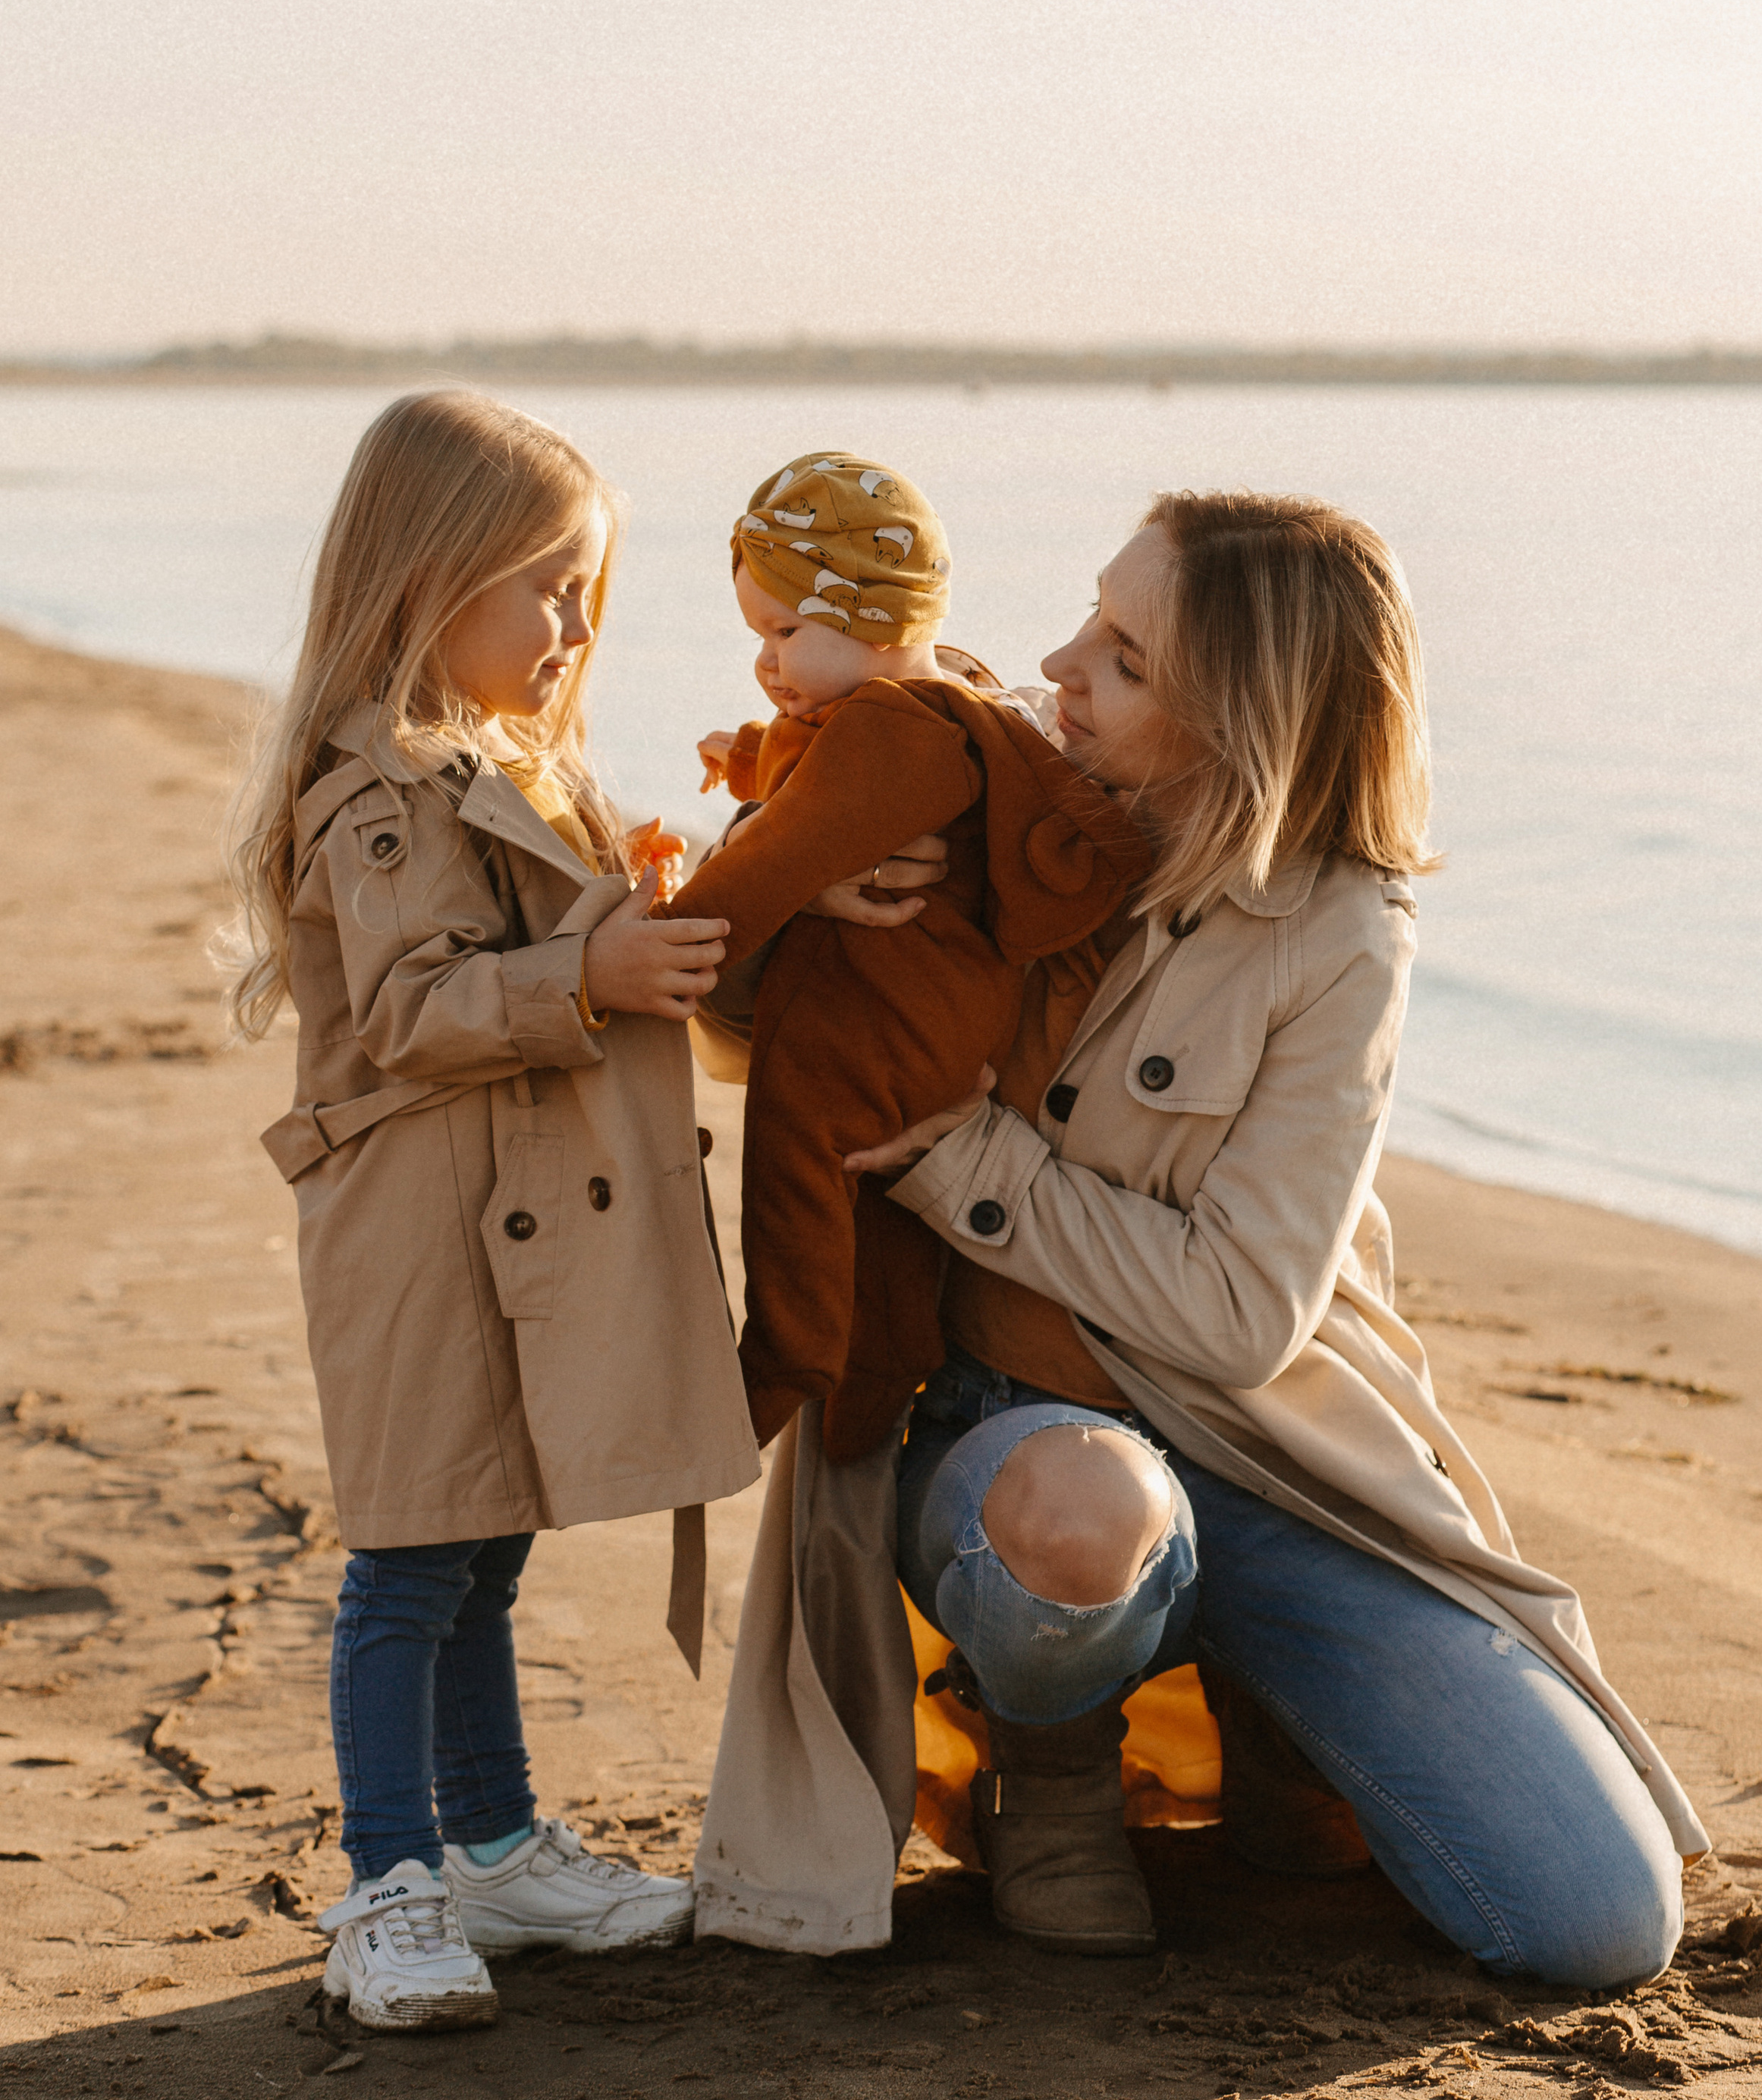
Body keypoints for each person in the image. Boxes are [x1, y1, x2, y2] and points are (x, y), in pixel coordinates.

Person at [691, 490, 1704, 1983]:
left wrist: (964, 1160)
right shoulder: (967, 779)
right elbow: (730, 1024)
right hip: (1011, 1443)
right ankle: (1050, 1776)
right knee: (1077, 1517)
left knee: (1591, 1920)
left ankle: (1267, 1702)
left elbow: (1240, 1320)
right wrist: (803, 876)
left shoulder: (1339, 930)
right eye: (1090, 623)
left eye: (1121, 655)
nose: (1055, 665)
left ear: (1240, 719)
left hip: (1276, 1457)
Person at [227, 390, 759, 2033]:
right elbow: (408, 1010)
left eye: (590, 588)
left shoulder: (501, 766)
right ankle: (389, 1881)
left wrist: (632, 914)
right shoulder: (373, 792)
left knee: (486, 1544)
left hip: (508, 1225)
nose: (578, 624)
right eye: (547, 585)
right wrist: (583, 972)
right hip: (415, 1236)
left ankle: (498, 1843)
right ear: (423, 581)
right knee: (407, 1557)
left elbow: (530, 954)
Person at [668, 450, 1148, 1456]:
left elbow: (779, 859)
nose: (766, 661)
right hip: (933, 1017)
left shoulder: (889, 732)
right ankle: (877, 1375)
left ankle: (787, 1355)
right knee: (873, 1206)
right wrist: (751, 756)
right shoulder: (931, 708)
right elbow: (817, 775)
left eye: (786, 632)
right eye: (757, 634)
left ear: (876, 619)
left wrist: (668, 951)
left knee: (796, 1164)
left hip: (877, 1011)